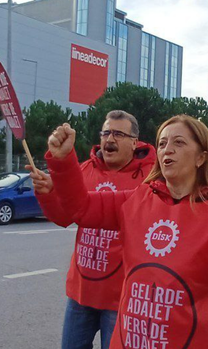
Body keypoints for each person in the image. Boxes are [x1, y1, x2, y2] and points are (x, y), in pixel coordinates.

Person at [37, 115, 208, 349]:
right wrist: (63, 159)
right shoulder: (138, 199)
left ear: (201, 157)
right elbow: (80, 208)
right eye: (162, 143)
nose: (168, 149)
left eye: (179, 142)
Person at [28, 110, 154, 349]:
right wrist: (48, 194)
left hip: (121, 297)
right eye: (106, 132)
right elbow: (65, 217)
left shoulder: (150, 177)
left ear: (135, 142)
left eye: (118, 133)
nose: (110, 139)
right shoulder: (85, 170)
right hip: (81, 293)